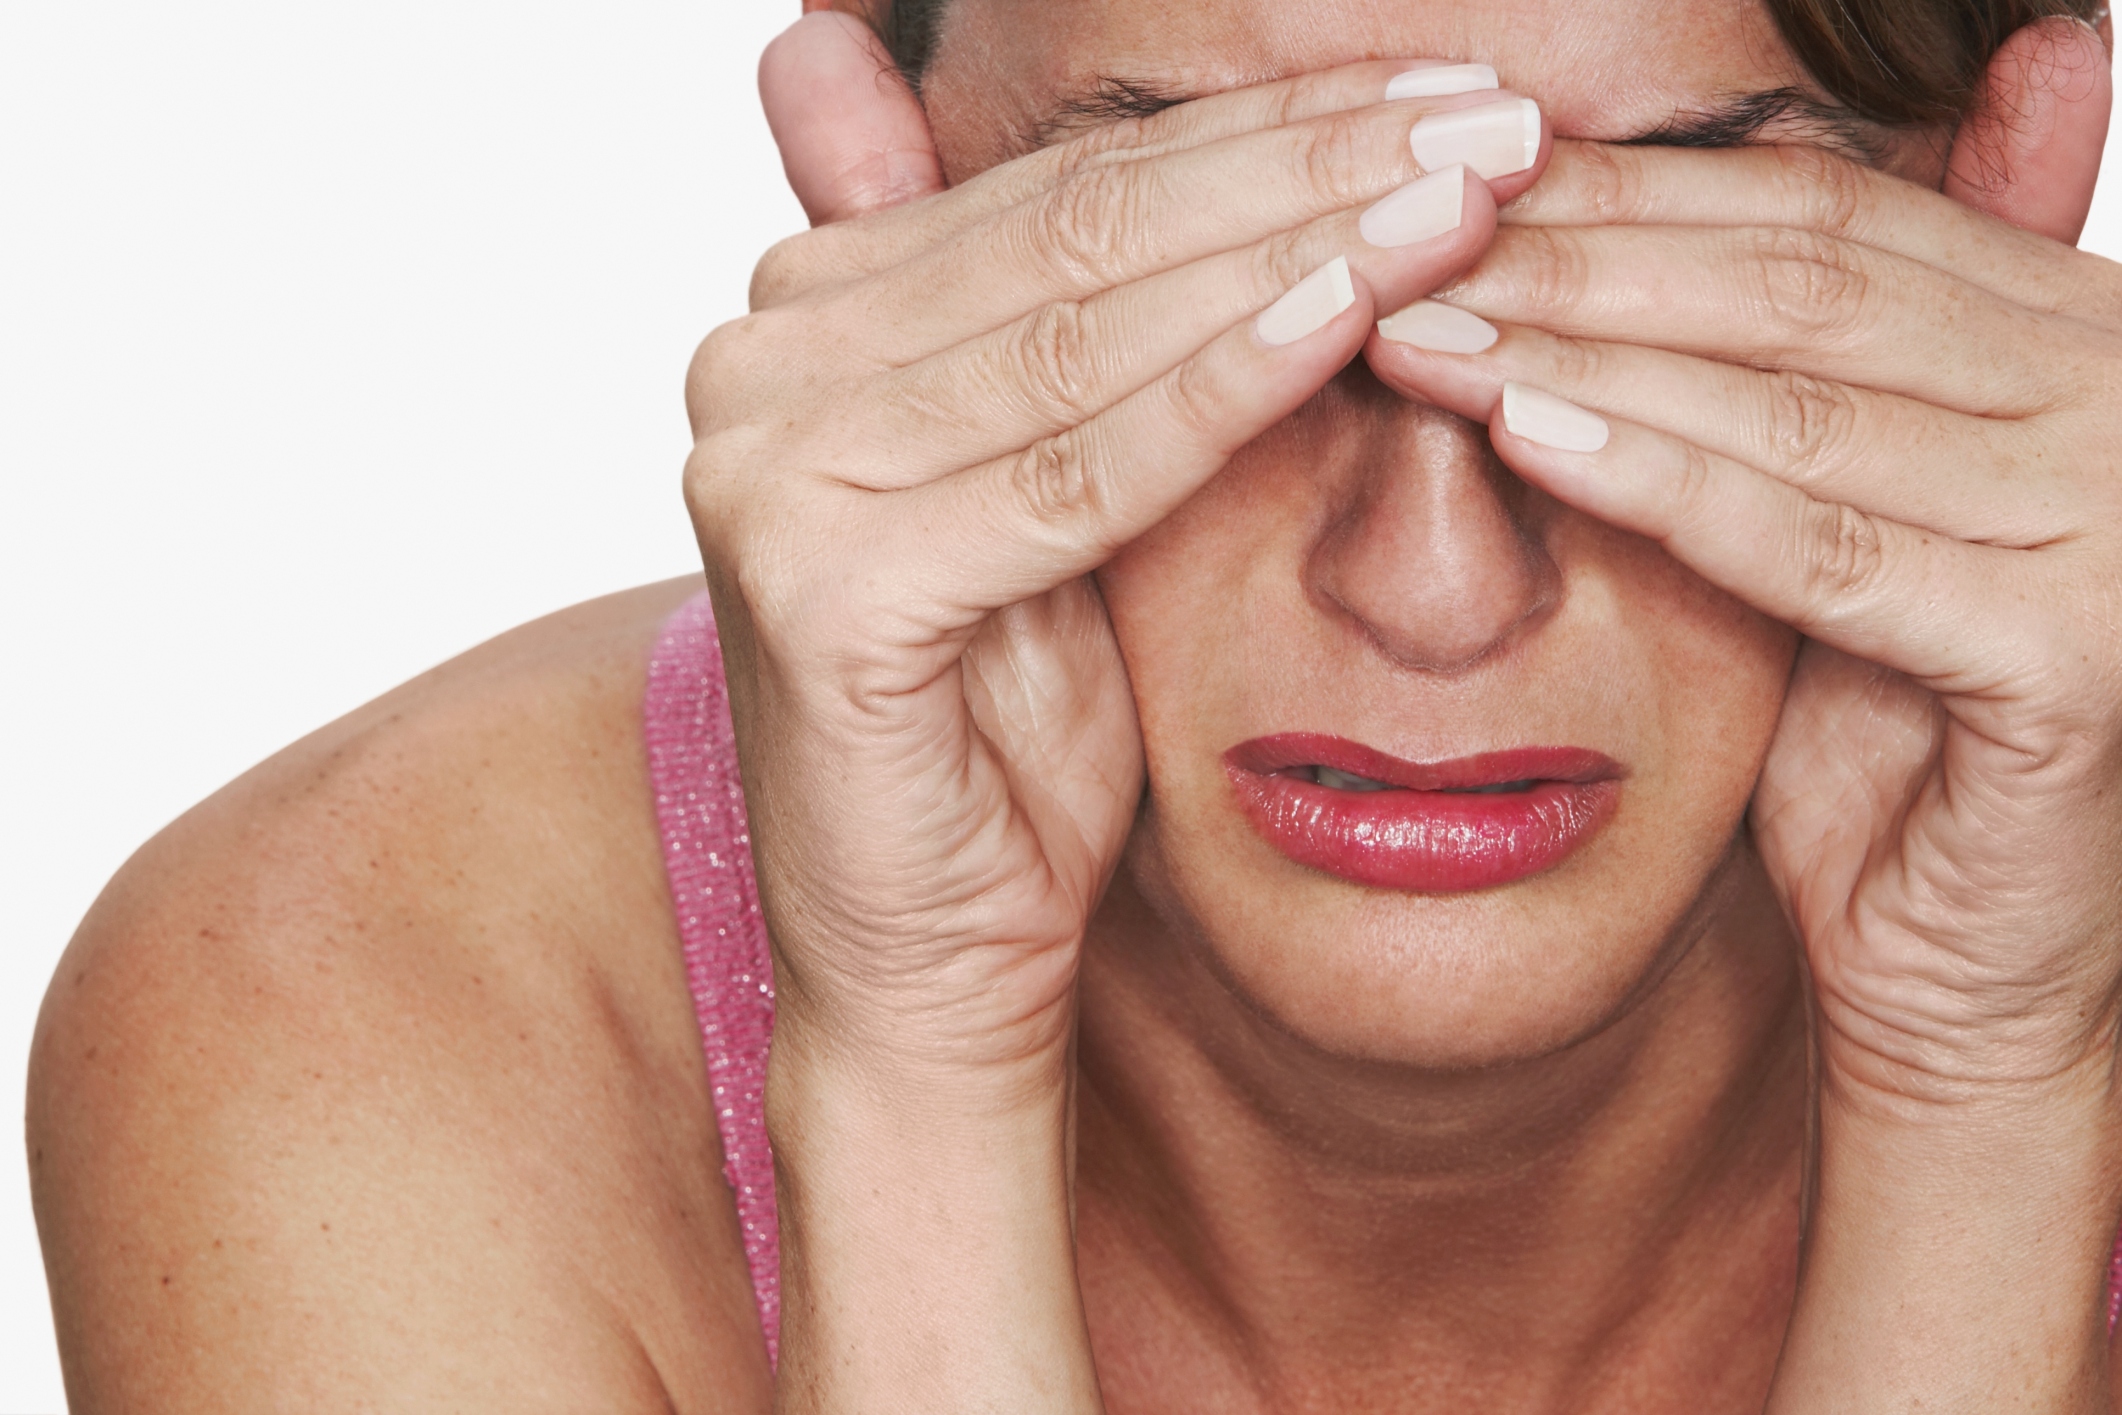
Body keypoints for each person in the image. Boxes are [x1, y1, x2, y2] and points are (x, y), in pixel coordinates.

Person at [28, 0, 2122, 1406]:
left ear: (1996, 184)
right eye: (1216, 280)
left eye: (1671, 266)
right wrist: (911, 1055)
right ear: (897, 173)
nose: (1429, 581)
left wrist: (1989, 1078)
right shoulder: (357, 1006)